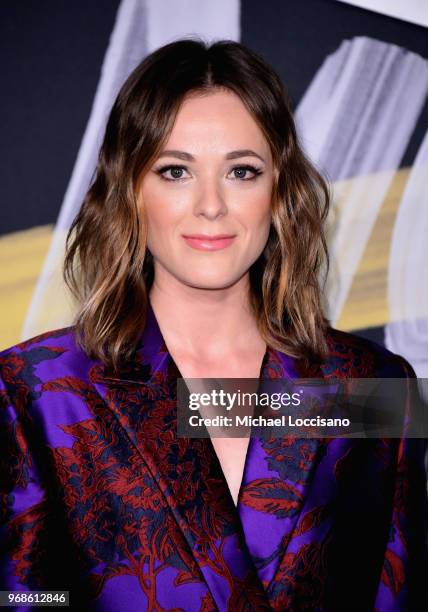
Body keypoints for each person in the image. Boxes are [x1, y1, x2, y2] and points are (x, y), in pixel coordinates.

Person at [0, 38, 426, 612]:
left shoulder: (373, 387)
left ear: (280, 190)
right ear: (130, 189)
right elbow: (24, 596)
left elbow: (396, 595)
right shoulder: (39, 391)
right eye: (175, 171)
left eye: (241, 171)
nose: (211, 205)